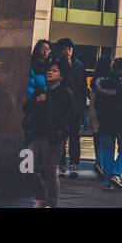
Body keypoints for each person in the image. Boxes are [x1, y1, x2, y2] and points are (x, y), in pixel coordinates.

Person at [21, 58, 79, 208]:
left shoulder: (66, 94)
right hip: (36, 135)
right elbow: (25, 108)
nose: (50, 72)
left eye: (54, 71)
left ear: (62, 76)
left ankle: (51, 203)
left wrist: (61, 132)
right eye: (49, 70)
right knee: (25, 166)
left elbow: (73, 117)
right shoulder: (42, 91)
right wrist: (37, 100)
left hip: (54, 138)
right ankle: (41, 197)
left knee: (49, 171)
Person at [92, 57, 122, 190]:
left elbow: (97, 103)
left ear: (112, 67)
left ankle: (107, 182)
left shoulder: (102, 83)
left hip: (105, 122)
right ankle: (115, 173)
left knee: (107, 150)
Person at [52, 38, 88, 178]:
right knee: (62, 136)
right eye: (64, 49)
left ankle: (74, 164)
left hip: (76, 106)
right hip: (61, 106)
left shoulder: (79, 65)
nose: (67, 51)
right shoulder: (57, 65)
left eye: (69, 49)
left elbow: (83, 87)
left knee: (75, 136)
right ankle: (61, 164)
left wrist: (82, 106)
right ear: (60, 50)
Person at [88, 56, 112, 178]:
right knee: (105, 141)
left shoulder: (94, 80)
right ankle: (101, 165)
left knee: (97, 139)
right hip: (105, 113)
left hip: (94, 111)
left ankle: (98, 162)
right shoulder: (107, 81)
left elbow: (92, 99)